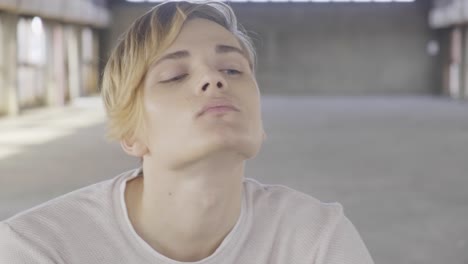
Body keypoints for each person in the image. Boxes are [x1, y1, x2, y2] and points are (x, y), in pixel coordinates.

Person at [0, 1, 374, 263]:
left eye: (232, 69)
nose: (213, 79)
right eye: (175, 76)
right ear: (131, 135)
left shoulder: (315, 239)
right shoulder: (40, 249)